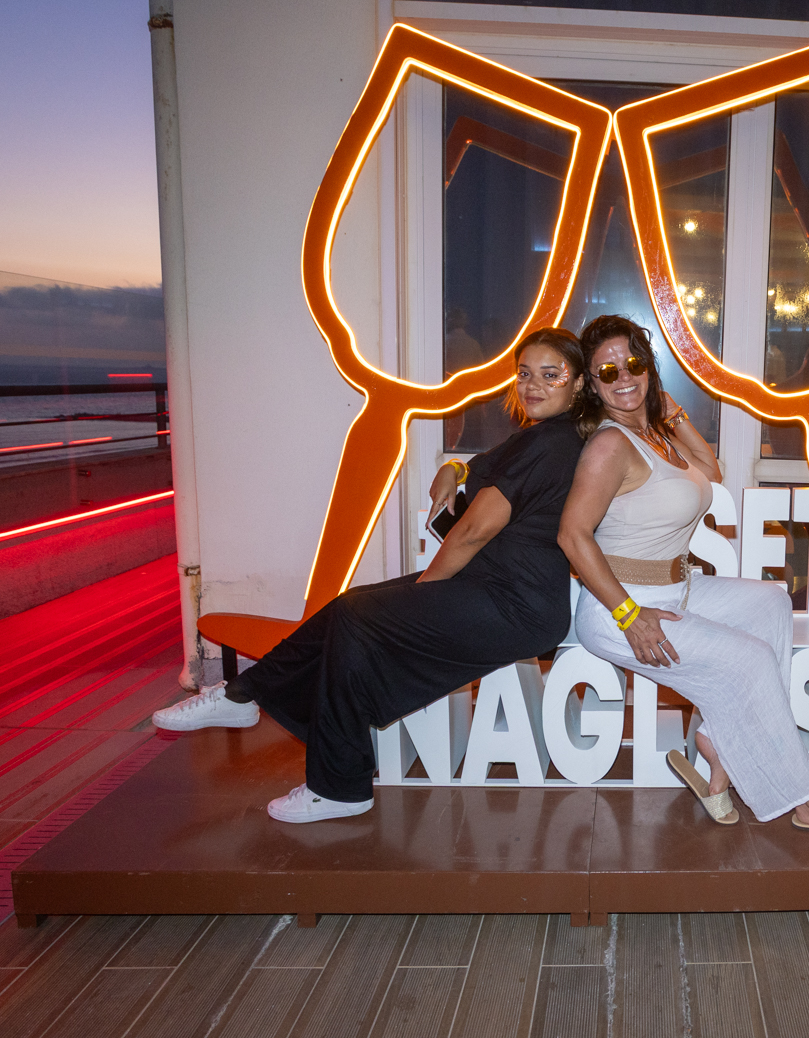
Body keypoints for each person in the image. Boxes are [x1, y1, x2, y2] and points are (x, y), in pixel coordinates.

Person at [152, 328, 587, 823]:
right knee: (348, 609)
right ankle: (245, 697)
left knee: (359, 616)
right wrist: (454, 471)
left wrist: (424, 594)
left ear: (578, 384)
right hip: (497, 585)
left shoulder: (554, 442)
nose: (533, 385)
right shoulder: (542, 436)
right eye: (525, 373)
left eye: (551, 375)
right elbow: (481, 469)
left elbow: (471, 532)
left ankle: (334, 781)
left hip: (517, 605)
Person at [558, 314, 809, 835]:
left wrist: (671, 413)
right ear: (593, 385)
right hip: (621, 607)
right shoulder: (610, 445)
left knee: (771, 602)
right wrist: (628, 615)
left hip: (675, 588)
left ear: (649, 369)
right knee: (749, 660)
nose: (624, 377)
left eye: (634, 363)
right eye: (607, 371)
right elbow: (572, 535)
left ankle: (719, 743)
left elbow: (710, 473)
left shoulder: (652, 436)